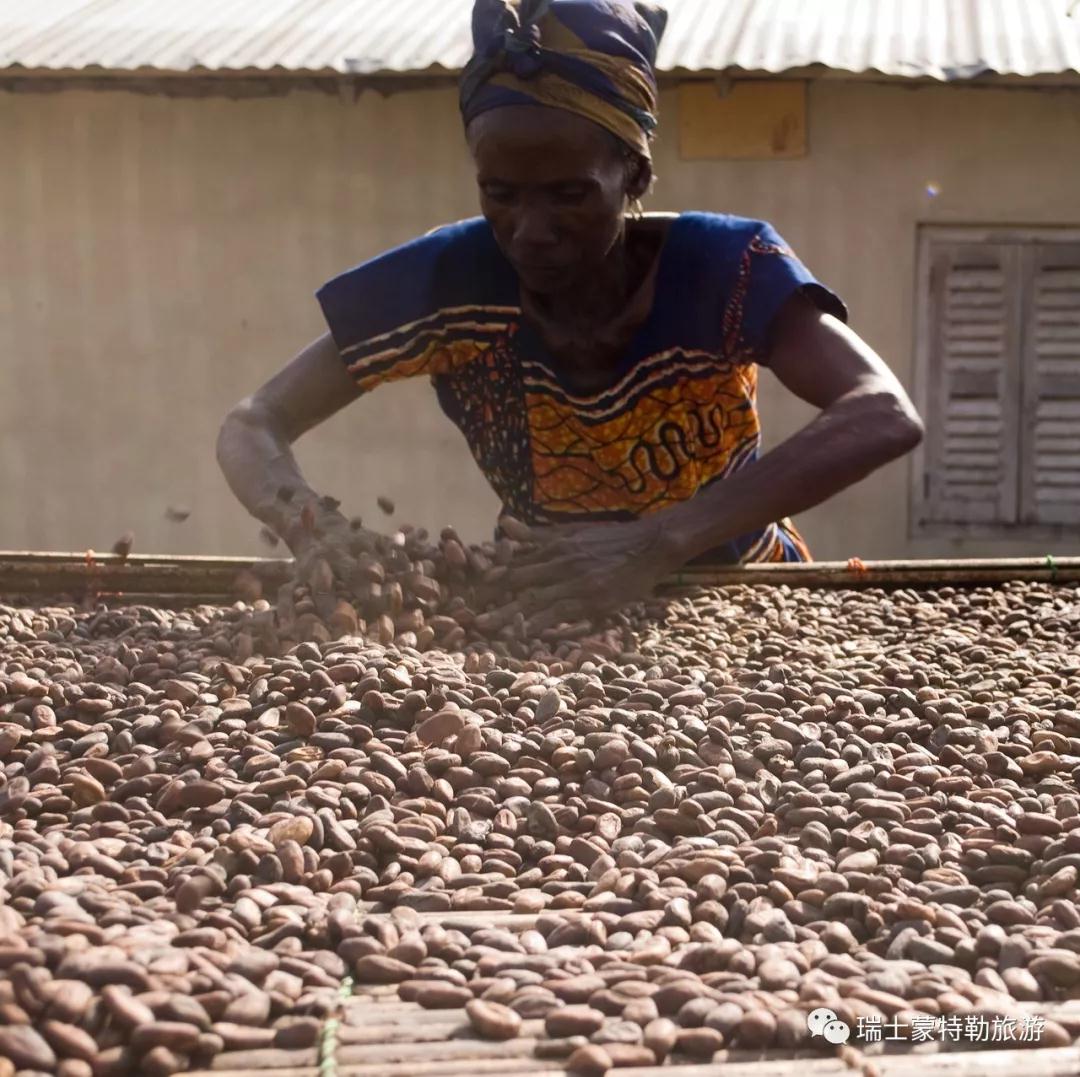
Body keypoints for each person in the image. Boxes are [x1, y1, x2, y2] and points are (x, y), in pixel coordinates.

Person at [217, 0, 923, 632]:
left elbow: (882, 411)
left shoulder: (722, 266)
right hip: (549, 607)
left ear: (635, 177)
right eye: (501, 194)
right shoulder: (452, 282)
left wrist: (660, 542)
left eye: (569, 196)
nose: (530, 230)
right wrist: (314, 529)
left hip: (744, 595)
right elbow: (253, 423)